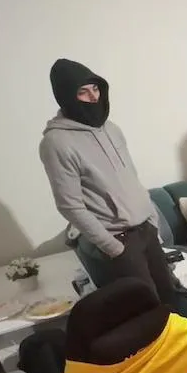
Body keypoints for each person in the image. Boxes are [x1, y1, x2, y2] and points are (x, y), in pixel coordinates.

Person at [39, 58, 177, 305]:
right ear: (66, 97)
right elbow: (70, 205)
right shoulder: (56, 142)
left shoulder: (111, 128)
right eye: (83, 92)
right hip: (120, 240)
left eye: (96, 88)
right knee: (147, 309)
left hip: (146, 229)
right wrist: (113, 248)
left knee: (169, 297)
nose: (94, 97)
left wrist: (152, 220)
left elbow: (132, 178)